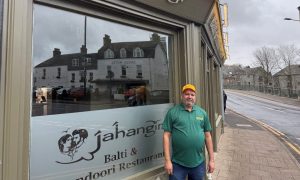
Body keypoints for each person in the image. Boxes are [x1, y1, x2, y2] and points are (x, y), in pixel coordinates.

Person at [162, 83, 215, 180]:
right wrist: (167, 160)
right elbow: (166, 136)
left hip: (198, 164)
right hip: (177, 164)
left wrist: (211, 160)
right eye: (187, 94)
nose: (189, 97)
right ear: (182, 96)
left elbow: (208, 136)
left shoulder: (202, 113)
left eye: (192, 94)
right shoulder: (173, 112)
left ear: (195, 97)